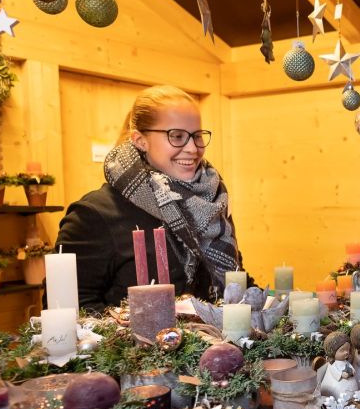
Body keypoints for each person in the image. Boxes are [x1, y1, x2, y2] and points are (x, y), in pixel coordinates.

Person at [55, 85, 251, 313]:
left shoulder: (211, 202)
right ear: (140, 140)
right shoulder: (95, 215)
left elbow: (237, 282)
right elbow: (72, 310)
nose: (192, 148)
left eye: (197, 136)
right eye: (176, 136)